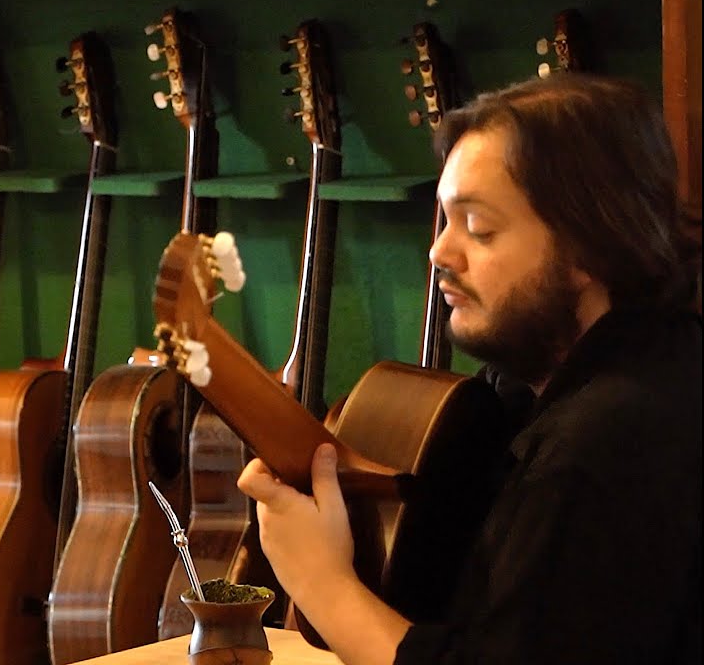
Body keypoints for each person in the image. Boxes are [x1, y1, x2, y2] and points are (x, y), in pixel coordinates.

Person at [238, 72, 701, 665]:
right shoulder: (601, 374)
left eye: (479, 228)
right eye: (445, 220)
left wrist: (323, 585)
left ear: (589, 247)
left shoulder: (602, 444)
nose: (440, 252)